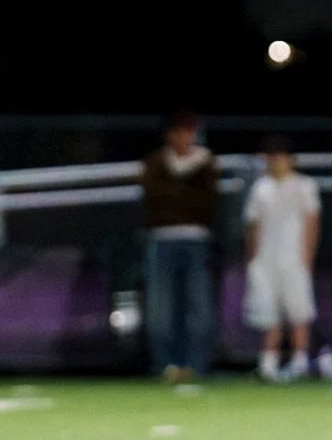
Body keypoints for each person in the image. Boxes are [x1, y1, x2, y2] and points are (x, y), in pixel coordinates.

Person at [138, 109, 221, 383]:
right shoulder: (154, 162)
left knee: (199, 307)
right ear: (169, 135)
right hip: (160, 240)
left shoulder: (207, 163)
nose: (183, 137)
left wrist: (176, 198)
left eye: (188, 131)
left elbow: (207, 204)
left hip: (197, 240)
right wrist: (183, 197)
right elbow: (154, 200)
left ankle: (196, 367)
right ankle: (167, 366)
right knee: (160, 308)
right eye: (178, 131)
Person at [241, 134, 322, 382]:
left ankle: (299, 362)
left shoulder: (304, 186)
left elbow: (312, 222)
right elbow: (253, 226)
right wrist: (253, 258)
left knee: (299, 311)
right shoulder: (260, 188)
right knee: (268, 313)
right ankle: (268, 364)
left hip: (294, 258)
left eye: (280, 157)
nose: (276, 162)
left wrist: (307, 255)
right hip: (266, 261)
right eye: (272, 157)